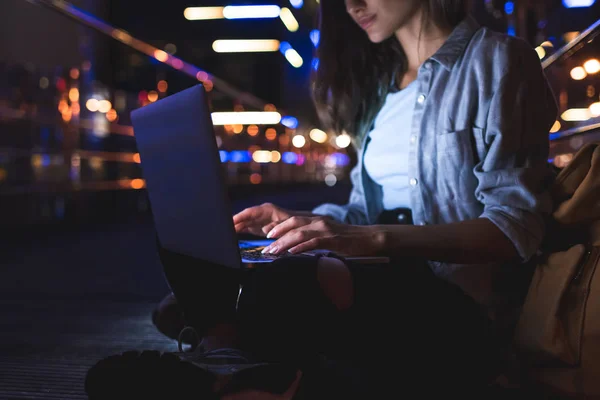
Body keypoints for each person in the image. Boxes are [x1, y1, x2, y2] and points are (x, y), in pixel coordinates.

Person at [85, 0, 558, 398]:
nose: (351, 4)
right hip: (382, 289)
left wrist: (368, 239)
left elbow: (513, 229)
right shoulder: (383, 92)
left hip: (459, 310)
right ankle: (253, 376)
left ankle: (234, 373)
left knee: (283, 288)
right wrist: (297, 221)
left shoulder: (498, 62)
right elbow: (359, 215)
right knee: (195, 295)